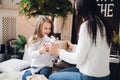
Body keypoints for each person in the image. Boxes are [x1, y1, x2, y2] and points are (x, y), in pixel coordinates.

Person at [48, 0, 113, 80]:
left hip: (89, 77)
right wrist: (74, 47)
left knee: (52, 77)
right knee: (60, 72)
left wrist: (58, 51)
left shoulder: (87, 26)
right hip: (105, 76)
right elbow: (93, 50)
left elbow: (77, 59)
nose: (76, 12)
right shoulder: (105, 24)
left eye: (76, 9)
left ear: (82, 9)